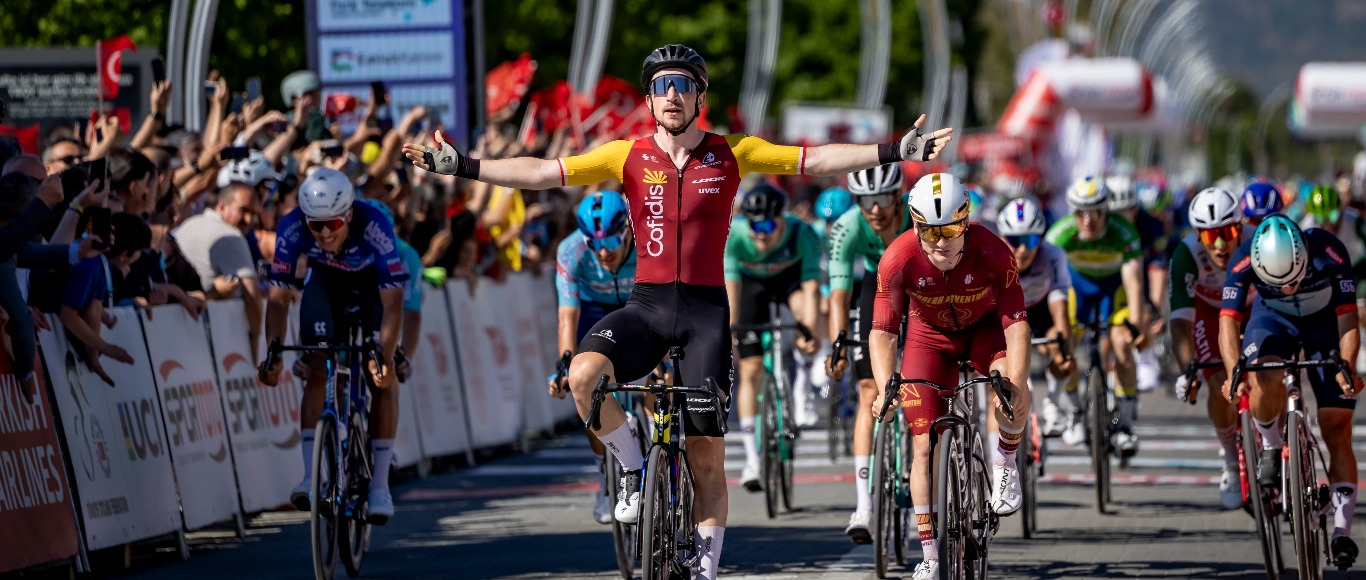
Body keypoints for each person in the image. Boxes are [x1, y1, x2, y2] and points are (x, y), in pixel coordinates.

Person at [402, 43, 953, 580]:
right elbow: (545, 172)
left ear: (699, 97)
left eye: (682, 85)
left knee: (705, 455)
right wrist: (465, 166)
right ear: (649, 99)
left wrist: (894, 150)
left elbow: (814, 160)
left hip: (705, 315)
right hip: (646, 307)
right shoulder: (625, 154)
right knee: (583, 376)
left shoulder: (733, 151)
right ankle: (631, 464)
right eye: (661, 86)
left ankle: (706, 570)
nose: (671, 94)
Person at [869, 173, 1030, 580]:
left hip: (985, 332)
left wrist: (1017, 382)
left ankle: (1006, 461)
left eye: (951, 230)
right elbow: (883, 331)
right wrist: (885, 386)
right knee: (923, 446)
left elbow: (1016, 325)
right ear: (915, 225)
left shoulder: (994, 251)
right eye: (929, 231)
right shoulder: (898, 258)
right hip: (929, 339)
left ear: (966, 221)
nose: (940, 242)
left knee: (1009, 387)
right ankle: (930, 555)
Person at [257, 168, 407, 525]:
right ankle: (311, 476)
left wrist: (385, 358)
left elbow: (393, 304)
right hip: (326, 283)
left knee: (379, 378)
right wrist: (273, 352)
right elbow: (277, 300)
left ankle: (379, 486)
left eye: (333, 224)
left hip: (372, 289)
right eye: (316, 225)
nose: (324, 233)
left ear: (349, 215)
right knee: (317, 368)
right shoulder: (292, 227)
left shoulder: (374, 225)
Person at [1219, 214, 1361, 566]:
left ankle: (1342, 532)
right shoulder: (1243, 260)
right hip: (1272, 321)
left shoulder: (1329, 250)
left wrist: (1347, 365)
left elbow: (1347, 316)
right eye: (1277, 283)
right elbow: (1228, 322)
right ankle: (1271, 444)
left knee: (1337, 429)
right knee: (1262, 376)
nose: (1288, 289)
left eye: (1294, 281)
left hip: (1323, 322)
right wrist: (1234, 372)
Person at [823, 162, 914, 543]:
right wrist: (838, 344)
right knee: (868, 392)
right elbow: (839, 294)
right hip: (875, 287)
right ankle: (864, 505)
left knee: (920, 384)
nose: (874, 209)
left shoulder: (916, 216)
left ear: (897, 197)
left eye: (881, 200)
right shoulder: (848, 226)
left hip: (918, 283)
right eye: (864, 201)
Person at [725, 181, 822, 489]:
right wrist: (731, 330)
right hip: (751, 286)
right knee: (750, 369)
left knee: (804, 320)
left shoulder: (802, 233)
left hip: (789, 281)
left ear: (782, 220)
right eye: (755, 226)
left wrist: (809, 331)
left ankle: (802, 383)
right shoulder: (735, 236)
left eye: (767, 225)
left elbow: (811, 289)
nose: (761, 234)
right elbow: (732, 290)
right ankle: (752, 461)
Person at [547, 190, 637, 524]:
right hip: (593, 310)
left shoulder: (647, 240)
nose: (603, 252)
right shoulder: (570, 249)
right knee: (584, 388)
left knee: (658, 384)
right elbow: (567, 317)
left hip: (640, 304)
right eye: (594, 243)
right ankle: (605, 474)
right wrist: (565, 365)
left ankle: (665, 467)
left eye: (611, 242)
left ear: (627, 230)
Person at [1046, 176, 1146, 450]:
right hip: (1078, 289)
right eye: (1081, 213)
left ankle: (1125, 426)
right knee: (1063, 344)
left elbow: (1133, 281)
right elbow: (1048, 280)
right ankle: (1076, 413)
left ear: (1106, 211)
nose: (1088, 220)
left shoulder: (1123, 232)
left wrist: (1136, 321)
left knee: (1122, 343)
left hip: (1113, 290)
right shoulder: (1060, 234)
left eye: (1095, 213)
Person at [1167, 187, 1246, 509]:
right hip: (1210, 313)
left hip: (1253, 310)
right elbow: (1180, 323)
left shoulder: (1257, 242)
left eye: (1227, 233)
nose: (1220, 244)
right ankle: (1231, 459)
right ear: (1198, 235)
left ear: (1240, 227)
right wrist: (1188, 371)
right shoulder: (1186, 255)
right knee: (1218, 385)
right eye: (1210, 235)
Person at [996, 197, 1074, 437]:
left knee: (1061, 345)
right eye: (1015, 240)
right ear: (1002, 237)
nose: (1022, 249)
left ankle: (1052, 401)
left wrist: (1062, 340)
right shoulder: (991, 255)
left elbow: (1060, 302)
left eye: (1030, 240)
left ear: (1040, 238)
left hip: (1040, 309)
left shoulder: (1053, 255)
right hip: (1006, 313)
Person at [170, 183, 265, 347]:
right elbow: (252, 295)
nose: (249, 220)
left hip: (177, 329)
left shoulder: (189, 224)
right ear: (221, 206)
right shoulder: (231, 236)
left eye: (254, 214)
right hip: (209, 335)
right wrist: (256, 341)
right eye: (243, 210)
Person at [1107, 174, 1168, 392]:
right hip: (1113, 276)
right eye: (1114, 213)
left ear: (1135, 209)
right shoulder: (1100, 227)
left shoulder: (1152, 226)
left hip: (1143, 274)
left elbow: (1158, 270)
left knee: (1144, 313)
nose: (1121, 218)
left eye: (1126, 211)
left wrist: (1156, 310)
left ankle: (1147, 358)